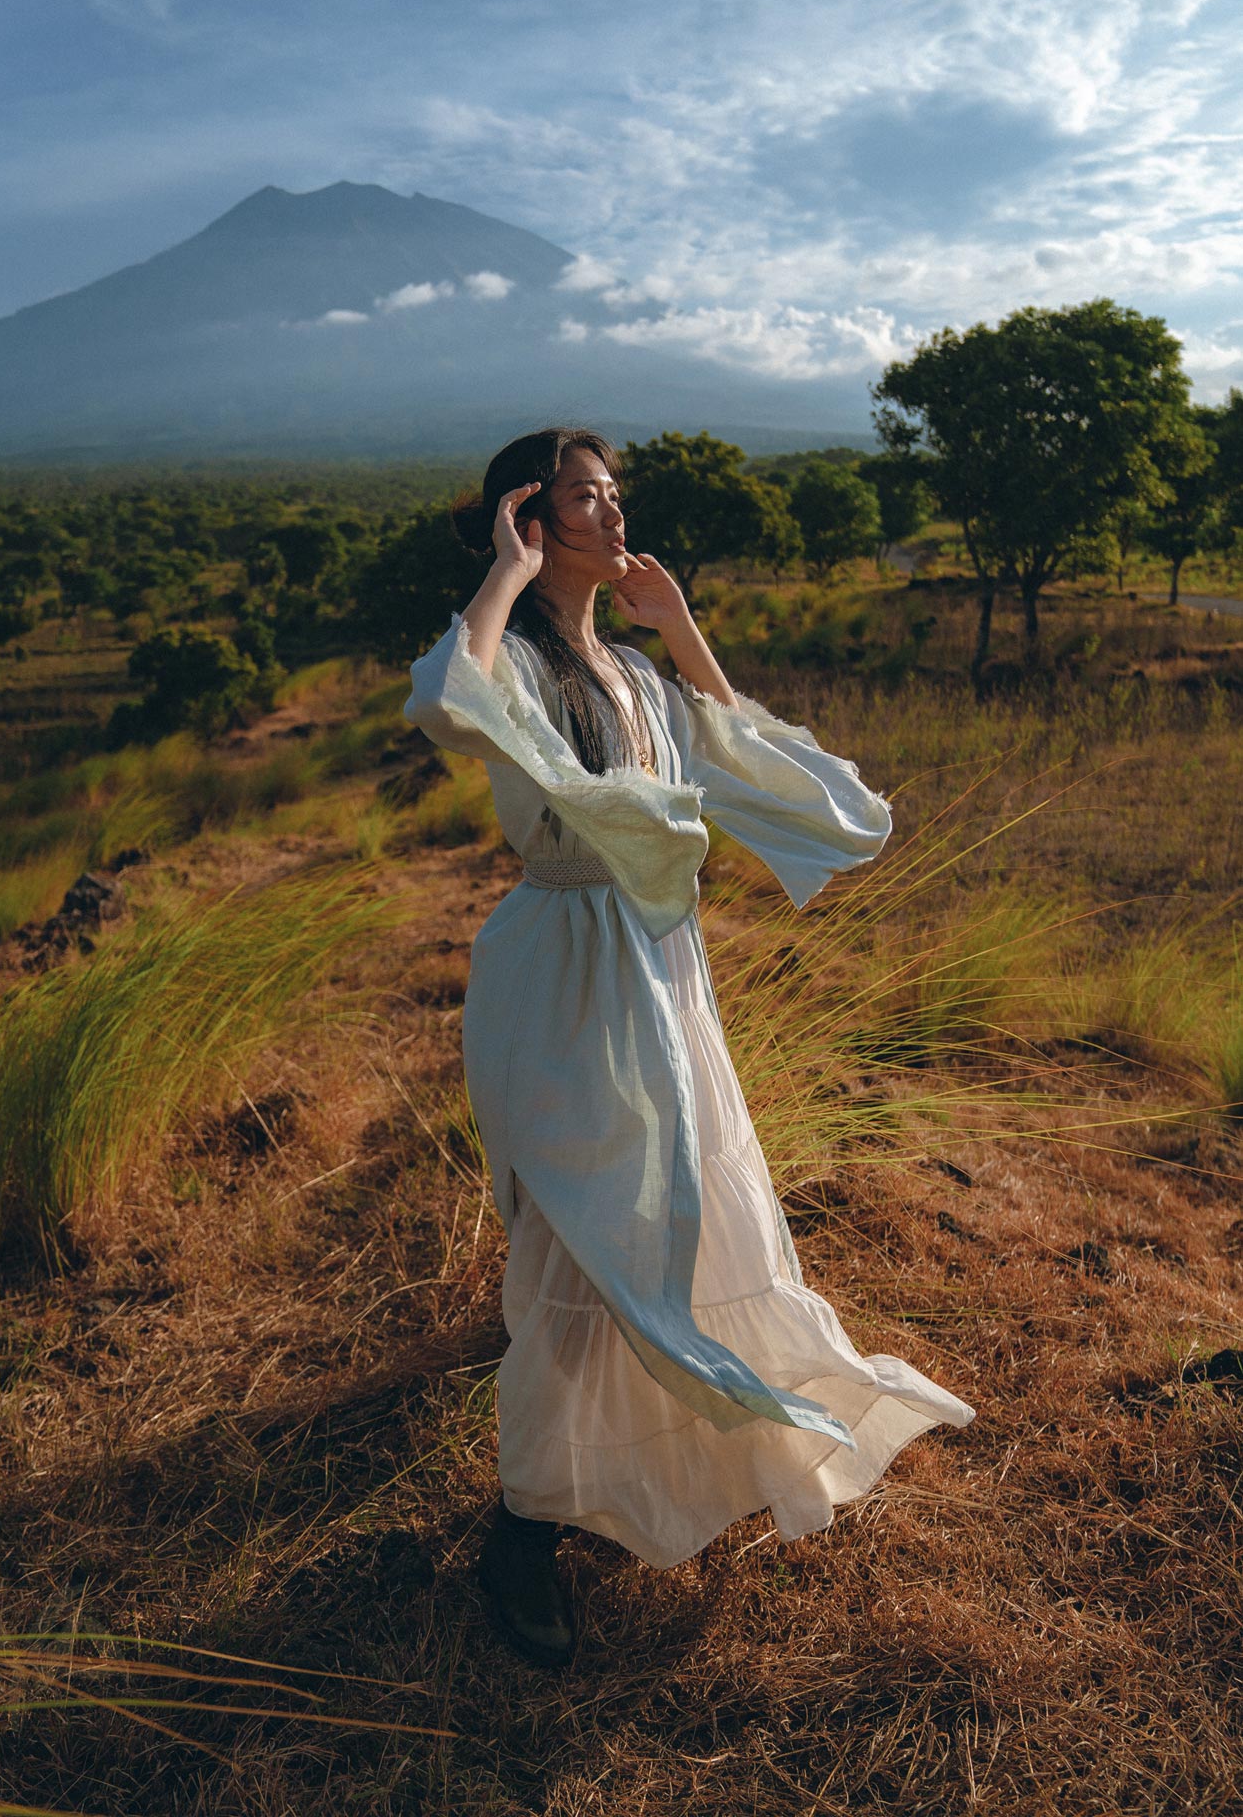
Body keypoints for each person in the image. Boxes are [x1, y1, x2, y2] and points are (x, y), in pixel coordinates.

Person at [402, 425, 976, 1669]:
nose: (614, 516)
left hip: (660, 977)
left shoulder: (635, 674)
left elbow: (784, 779)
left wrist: (679, 625)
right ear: (529, 518)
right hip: (561, 979)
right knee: (578, 1249)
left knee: (679, 1222)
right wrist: (503, 574)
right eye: (582, 500)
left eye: (616, 495)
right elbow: (447, 701)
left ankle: (615, 1478)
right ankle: (519, 1532)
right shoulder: (514, 660)